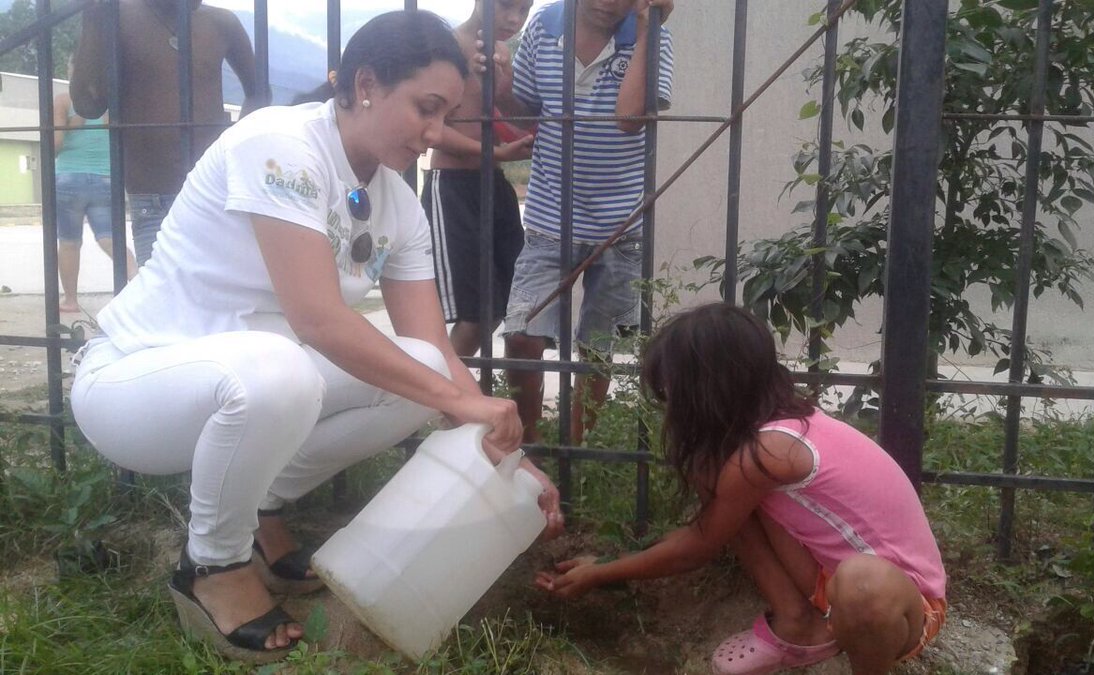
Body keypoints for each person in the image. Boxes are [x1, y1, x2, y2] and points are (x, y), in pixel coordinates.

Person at [69, 11, 562, 664]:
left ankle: (256, 512)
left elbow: (434, 348)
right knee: (281, 369)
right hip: (134, 382)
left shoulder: (395, 202)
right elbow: (318, 320)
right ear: (365, 85)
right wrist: (469, 404)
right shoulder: (280, 143)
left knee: (417, 370)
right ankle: (211, 563)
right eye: (426, 108)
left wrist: (507, 452)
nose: (437, 132)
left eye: (446, 115)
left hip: (253, 384)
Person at [535, 304, 947, 675]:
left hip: (904, 607)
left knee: (862, 583)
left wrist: (601, 573)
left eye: (672, 389)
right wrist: (606, 564)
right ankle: (797, 622)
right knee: (715, 477)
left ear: (706, 387)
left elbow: (698, 546)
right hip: (830, 582)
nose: (668, 401)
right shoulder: (773, 432)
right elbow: (708, 527)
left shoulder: (772, 450)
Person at [497, 0, 675, 444]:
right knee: (522, 334)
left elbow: (630, 119)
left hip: (620, 226)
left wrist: (648, 27)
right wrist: (500, 91)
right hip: (547, 218)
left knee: (598, 347)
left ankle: (576, 447)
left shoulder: (651, 35)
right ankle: (529, 443)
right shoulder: (544, 27)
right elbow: (526, 114)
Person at [70, 0, 270, 266]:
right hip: (153, 196)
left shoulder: (221, 22)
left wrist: (235, 149)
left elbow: (259, 93)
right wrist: (93, 17)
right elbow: (88, 104)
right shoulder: (117, 14)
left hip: (215, 190)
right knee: (164, 300)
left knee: (217, 298)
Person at [421, 0, 536, 358]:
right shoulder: (447, 45)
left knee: (504, 306)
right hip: (452, 187)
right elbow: (432, 130)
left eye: (524, 9)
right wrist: (499, 153)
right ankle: (438, 404)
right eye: (506, 6)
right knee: (473, 316)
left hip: (494, 185)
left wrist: (501, 91)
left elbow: (503, 118)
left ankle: (451, 397)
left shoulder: (501, 51)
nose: (515, 19)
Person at [53, 55, 137, 314]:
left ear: (71, 71)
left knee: (68, 242)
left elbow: (53, 146)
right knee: (110, 237)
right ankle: (137, 283)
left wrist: (73, 123)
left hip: (68, 178)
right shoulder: (111, 101)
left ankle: (70, 300)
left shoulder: (64, 100)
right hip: (105, 178)